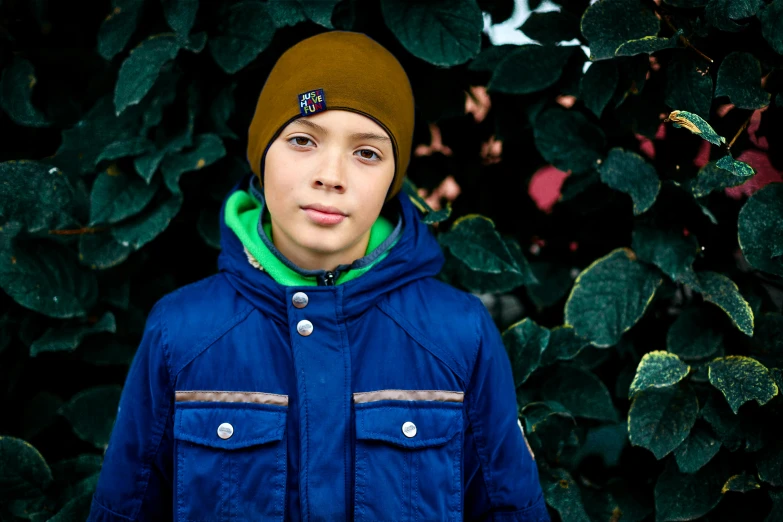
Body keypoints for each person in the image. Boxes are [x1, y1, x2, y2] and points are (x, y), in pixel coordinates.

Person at [86, 30, 549, 522]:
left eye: (367, 152)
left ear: (394, 179)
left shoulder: (459, 334)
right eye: (303, 140)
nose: (331, 174)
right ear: (262, 154)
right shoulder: (180, 333)